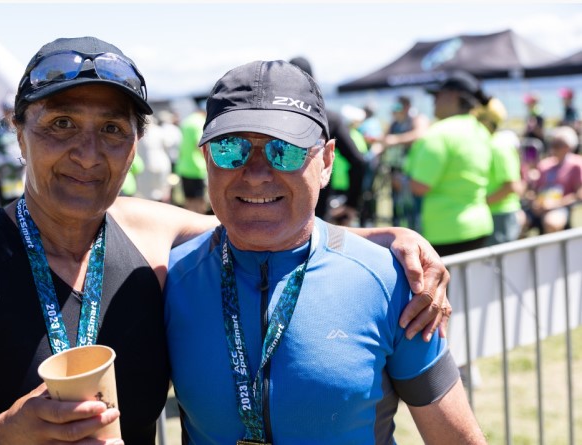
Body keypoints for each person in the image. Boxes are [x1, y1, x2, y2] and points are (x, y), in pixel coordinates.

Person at [0, 36, 452, 445]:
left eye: (113, 131)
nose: (87, 154)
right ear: (18, 136)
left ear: (135, 145)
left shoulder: (154, 237)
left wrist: (393, 240)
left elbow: (274, 224)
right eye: (60, 125)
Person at [165, 60, 484, 444]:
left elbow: (457, 439)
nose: (256, 173)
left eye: (285, 150)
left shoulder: (392, 281)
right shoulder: (169, 279)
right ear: (206, 160)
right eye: (231, 149)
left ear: (327, 162)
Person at [406, 70, 494, 256]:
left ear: (453, 96)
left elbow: (420, 186)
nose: (433, 101)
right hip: (480, 225)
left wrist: (402, 180)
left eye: (437, 95)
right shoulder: (481, 130)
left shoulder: (439, 133)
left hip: (445, 231)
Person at [288, 56, 367, 223]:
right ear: (314, 82)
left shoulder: (272, 121)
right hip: (317, 210)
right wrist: (352, 204)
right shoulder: (329, 119)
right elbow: (358, 161)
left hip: (280, 209)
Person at [473, 98, 526, 245]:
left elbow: (511, 186)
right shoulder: (488, 143)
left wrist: (481, 203)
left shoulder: (498, 145)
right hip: (491, 213)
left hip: (501, 214)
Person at [380, 95, 429, 231]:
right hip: (395, 172)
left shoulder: (417, 119)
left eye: (398, 107)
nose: (395, 111)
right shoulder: (394, 124)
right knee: (398, 212)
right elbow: (385, 139)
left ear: (407, 106)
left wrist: (396, 139)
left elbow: (421, 133)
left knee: (414, 211)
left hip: (413, 173)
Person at [524, 125, 582, 234]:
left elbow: (579, 194)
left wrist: (554, 204)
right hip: (538, 207)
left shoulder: (577, 164)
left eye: (557, 145)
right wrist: (534, 202)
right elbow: (532, 191)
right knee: (519, 220)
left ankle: (548, 251)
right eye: (552, 144)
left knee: (551, 222)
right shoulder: (544, 164)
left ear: (568, 147)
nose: (553, 148)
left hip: (561, 207)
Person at [174, 105, 208, 213]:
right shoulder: (200, 123)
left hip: (184, 167)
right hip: (196, 168)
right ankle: (199, 227)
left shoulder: (186, 122)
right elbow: (200, 145)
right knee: (199, 201)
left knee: (188, 200)